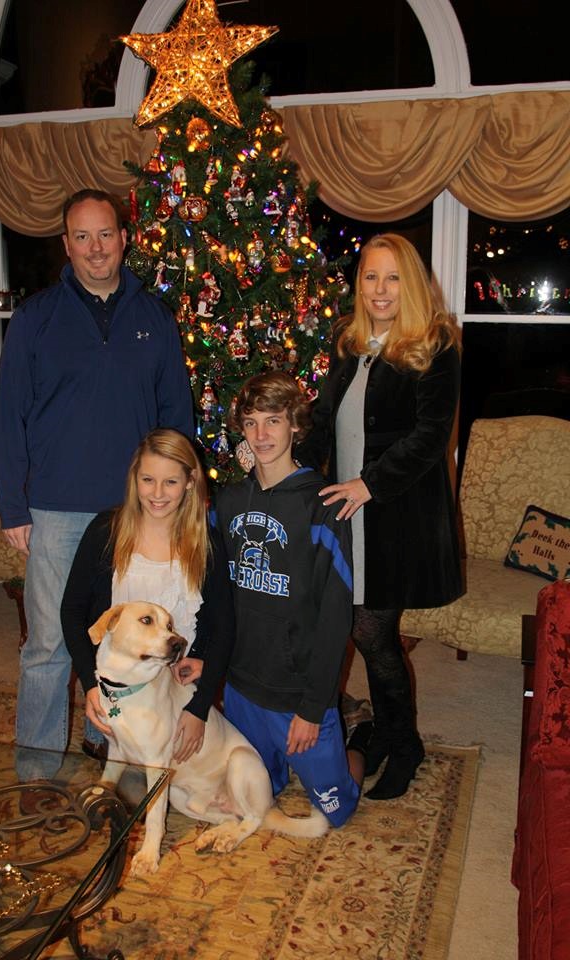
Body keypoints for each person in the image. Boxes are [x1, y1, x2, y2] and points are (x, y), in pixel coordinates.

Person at [0, 189, 194, 777]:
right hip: (55, 508)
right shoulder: (35, 319)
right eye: (82, 237)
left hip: (136, 512)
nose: (95, 248)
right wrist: (13, 508)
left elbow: (175, 417)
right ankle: (35, 772)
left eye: (105, 234)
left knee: (122, 642)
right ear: (66, 244)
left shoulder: (154, 318)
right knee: (48, 645)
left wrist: (176, 500)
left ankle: (109, 749)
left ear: (123, 239)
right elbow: (9, 418)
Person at [296, 232, 463, 801]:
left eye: (393, 277)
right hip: (351, 513)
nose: (381, 289)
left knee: (371, 631)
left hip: (397, 513)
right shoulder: (350, 341)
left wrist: (370, 483)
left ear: (410, 284)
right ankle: (392, 733)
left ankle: (404, 742)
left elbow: (431, 436)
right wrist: (283, 464)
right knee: (366, 630)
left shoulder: (436, 344)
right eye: (371, 276)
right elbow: (324, 420)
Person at [201, 371, 363, 828]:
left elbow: (335, 617)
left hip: (298, 694)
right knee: (249, 800)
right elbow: (212, 594)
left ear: (295, 425)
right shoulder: (227, 501)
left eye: (273, 421)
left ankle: (360, 741)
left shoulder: (323, 506)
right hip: (242, 689)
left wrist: (313, 708)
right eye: (251, 423)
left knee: (334, 813)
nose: (261, 435)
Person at [61, 429, 233, 761]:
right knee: (123, 779)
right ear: (134, 479)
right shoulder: (105, 531)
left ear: (190, 482)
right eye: (148, 480)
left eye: (171, 482)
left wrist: (199, 707)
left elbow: (224, 625)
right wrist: (91, 685)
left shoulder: (206, 543)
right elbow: (72, 611)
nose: (157, 493)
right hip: (117, 682)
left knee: (186, 770)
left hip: (176, 685)